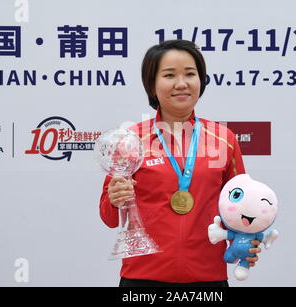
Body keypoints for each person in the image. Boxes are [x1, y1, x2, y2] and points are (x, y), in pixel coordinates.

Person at [99, 39, 261, 287]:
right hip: (143, 277)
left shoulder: (223, 139)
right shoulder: (131, 140)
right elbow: (109, 217)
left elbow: (239, 206)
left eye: (190, 74)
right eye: (169, 75)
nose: (181, 83)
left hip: (207, 278)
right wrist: (114, 198)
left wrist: (245, 242)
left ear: (201, 80)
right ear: (152, 85)